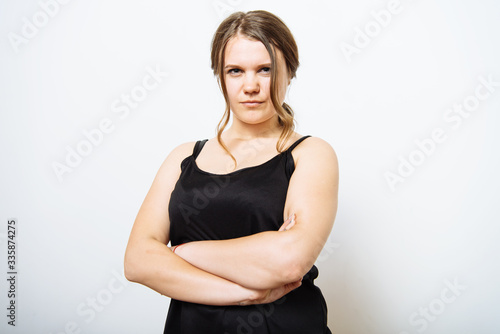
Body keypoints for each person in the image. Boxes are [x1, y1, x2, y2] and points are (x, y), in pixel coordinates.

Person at [124, 10, 339, 334]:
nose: (250, 85)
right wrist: (243, 294)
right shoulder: (183, 158)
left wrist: (183, 252)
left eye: (265, 70)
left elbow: (289, 261)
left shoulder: (310, 154)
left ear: (290, 73)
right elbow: (138, 261)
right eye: (235, 71)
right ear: (221, 77)